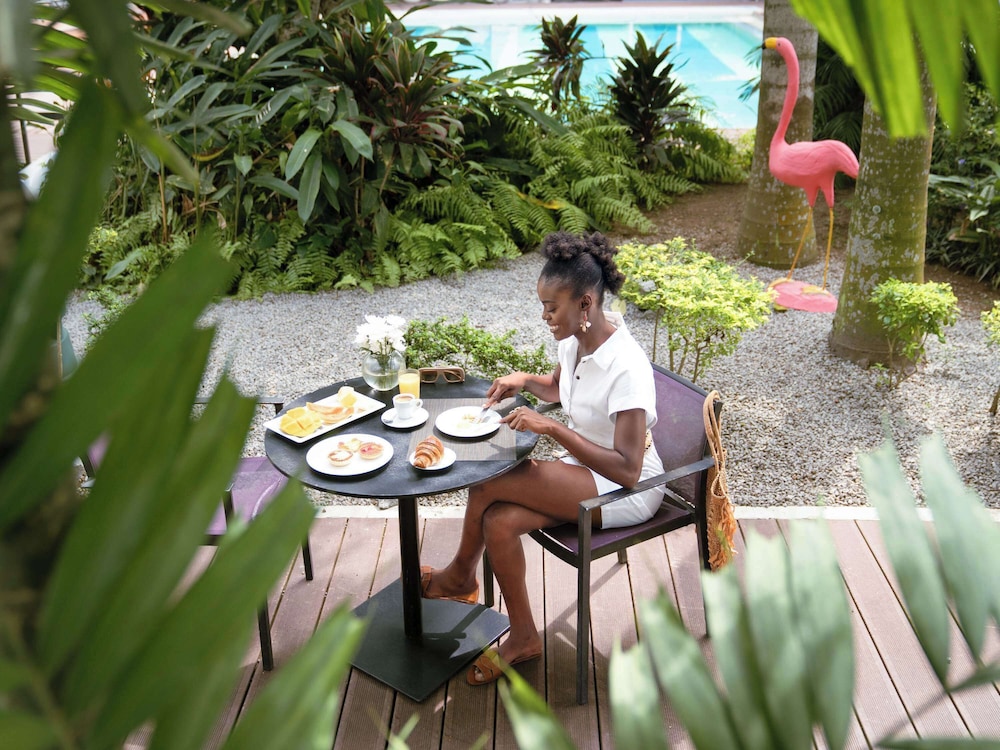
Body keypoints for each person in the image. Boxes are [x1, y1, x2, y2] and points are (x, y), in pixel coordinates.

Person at [420, 231, 666, 686]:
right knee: (499, 521)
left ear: (585, 303)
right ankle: (524, 637)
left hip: (626, 488)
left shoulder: (627, 367)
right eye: (543, 305)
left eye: (552, 307)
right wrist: (523, 380)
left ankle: (458, 577)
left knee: (489, 478)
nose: (545, 316)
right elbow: (557, 388)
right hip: (588, 470)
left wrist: (552, 428)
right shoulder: (576, 341)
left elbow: (629, 469)